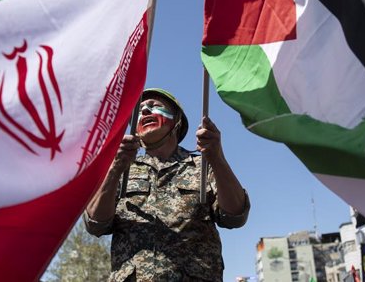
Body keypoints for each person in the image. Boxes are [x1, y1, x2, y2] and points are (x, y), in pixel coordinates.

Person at [84, 88, 250, 281]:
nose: (145, 111)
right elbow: (95, 224)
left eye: (155, 106)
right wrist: (115, 170)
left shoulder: (203, 166)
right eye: (140, 110)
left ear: (177, 121)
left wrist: (217, 158)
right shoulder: (121, 170)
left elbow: (235, 215)